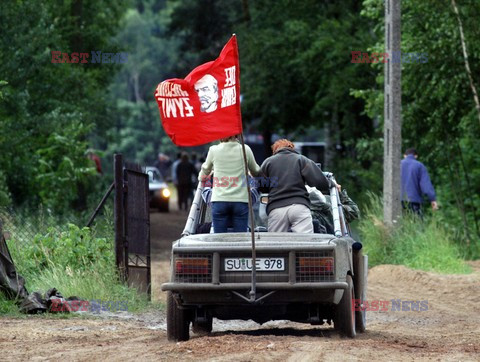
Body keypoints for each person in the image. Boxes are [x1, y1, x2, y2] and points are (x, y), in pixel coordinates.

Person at [260, 139, 331, 233]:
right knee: (305, 243)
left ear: (275, 151)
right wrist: (331, 184)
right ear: (291, 147)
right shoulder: (301, 159)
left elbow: (262, 187)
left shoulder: (268, 162)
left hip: (277, 209)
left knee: (276, 244)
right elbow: (320, 183)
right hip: (299, 206)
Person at [199, 136, 260, 233]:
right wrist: (250, 173)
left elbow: (204, 173)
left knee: (219, 240)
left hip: (219, 200)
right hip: (240, 201)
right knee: (240, 240)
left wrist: (202, 177)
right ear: (236, 135)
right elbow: (256, 171)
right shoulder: (245, 149)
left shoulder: (213, 150)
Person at [401, 148, 438, 216]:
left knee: (397, 225)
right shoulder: (420, 166)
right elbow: (426, 185)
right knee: (416, 224)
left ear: (404, 155)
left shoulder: (396, 165)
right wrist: (432, 199)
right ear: (416, 156)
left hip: (397, 201)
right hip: (414, 201)